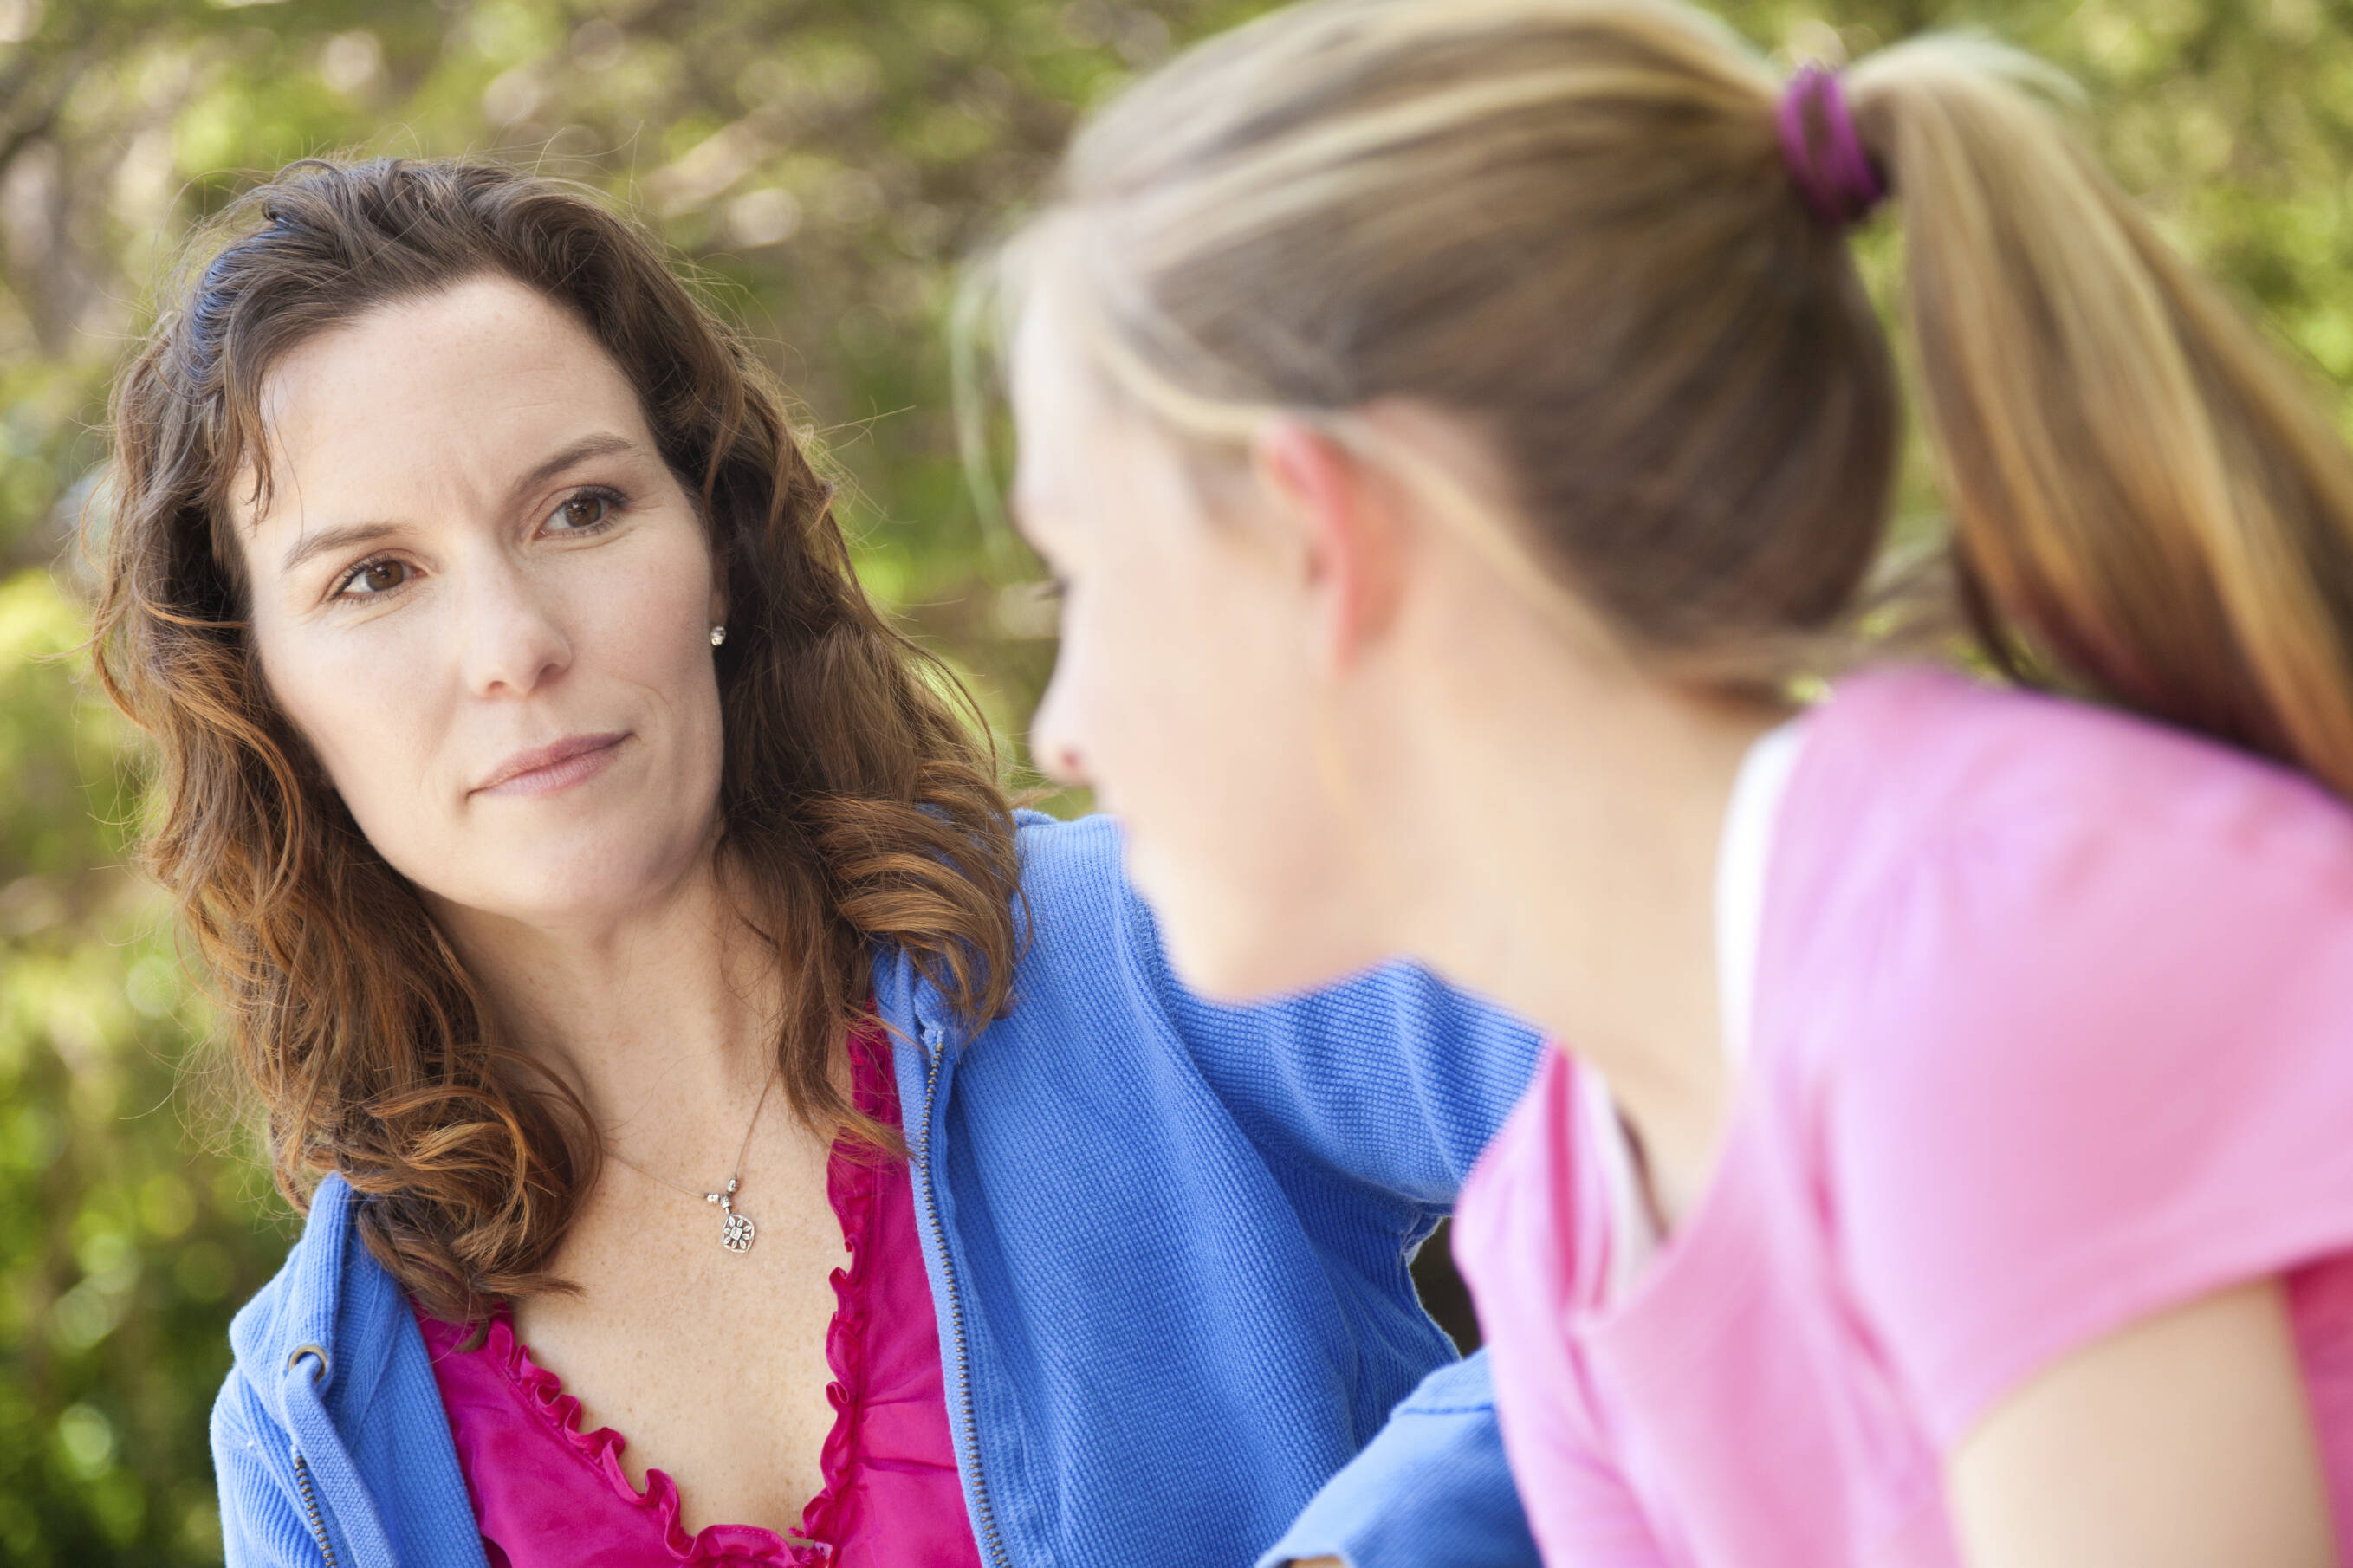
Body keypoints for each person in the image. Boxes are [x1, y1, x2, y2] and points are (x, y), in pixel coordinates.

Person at [989, 1, 2353, 1563]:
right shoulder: (1570, 1208)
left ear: (1321, 531)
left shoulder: (1978, 956)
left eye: (1077, 577)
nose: (1061, 732)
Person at [92, 156, 1547, 1568]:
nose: (514, 645)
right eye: (374, 577)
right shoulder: (313, 1433)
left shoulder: (1145, 946)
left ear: (715, 545)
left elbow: (1728, 1090)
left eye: (582, 508)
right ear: (262, 691)